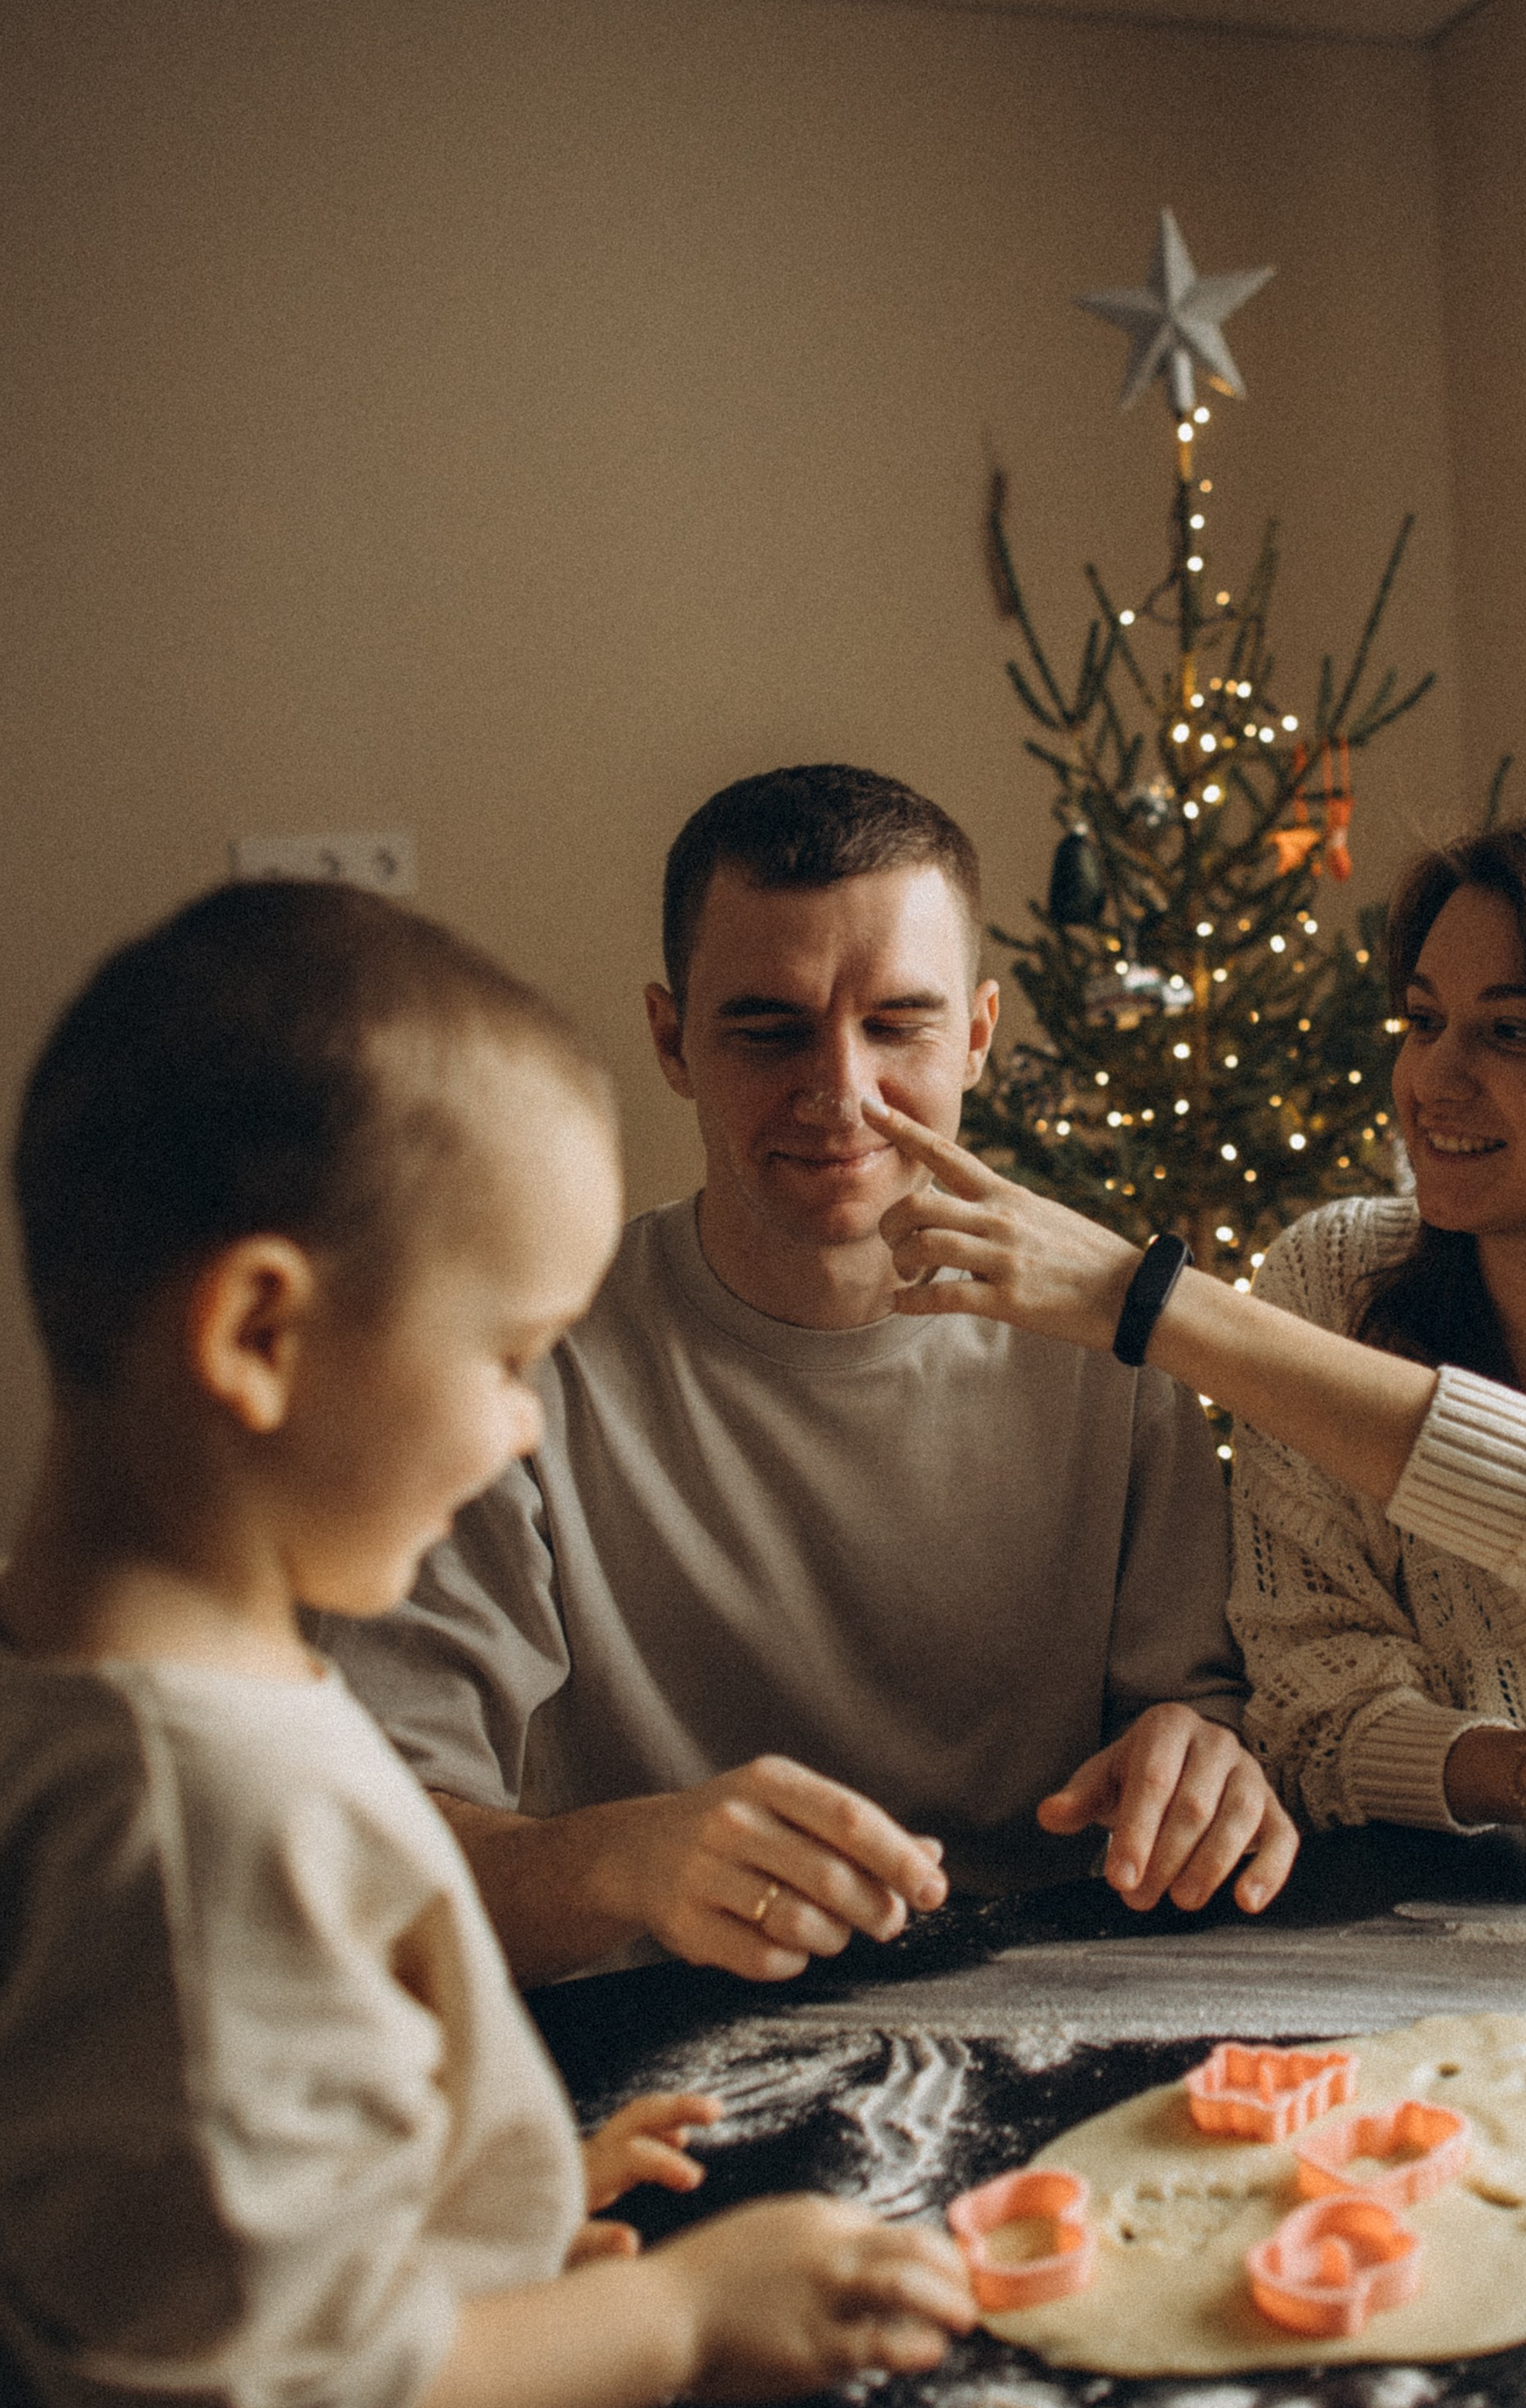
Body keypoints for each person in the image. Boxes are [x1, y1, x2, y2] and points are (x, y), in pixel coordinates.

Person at [0, 883, 975, 2408]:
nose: (528, 1427)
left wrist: (470, 2212)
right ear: (264, 1333)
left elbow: (163, 2213)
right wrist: (667, 2315)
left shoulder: (90, 1690)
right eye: (511, 1355)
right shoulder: (203, 1816)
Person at [328, 765, 1294, 1984]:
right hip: (665, 2037)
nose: (840, 1093)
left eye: (898, 1023)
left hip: (1051, 2005)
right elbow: (368, 1859)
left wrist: (1199, 1755)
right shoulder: (520, 1366)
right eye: (769, 1029)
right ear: (672, 1041)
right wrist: (631, 1865)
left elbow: (1197, 1716)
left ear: (980, 1036)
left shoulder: (1113, 1343)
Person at [871, 816, 1526, 1908]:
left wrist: (1156, 1305)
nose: (1431, 1079)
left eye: (1508, 1033)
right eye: (1422, 1020)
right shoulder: (1330, 1274)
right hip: (1465, 1901)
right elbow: (1319, 1720)